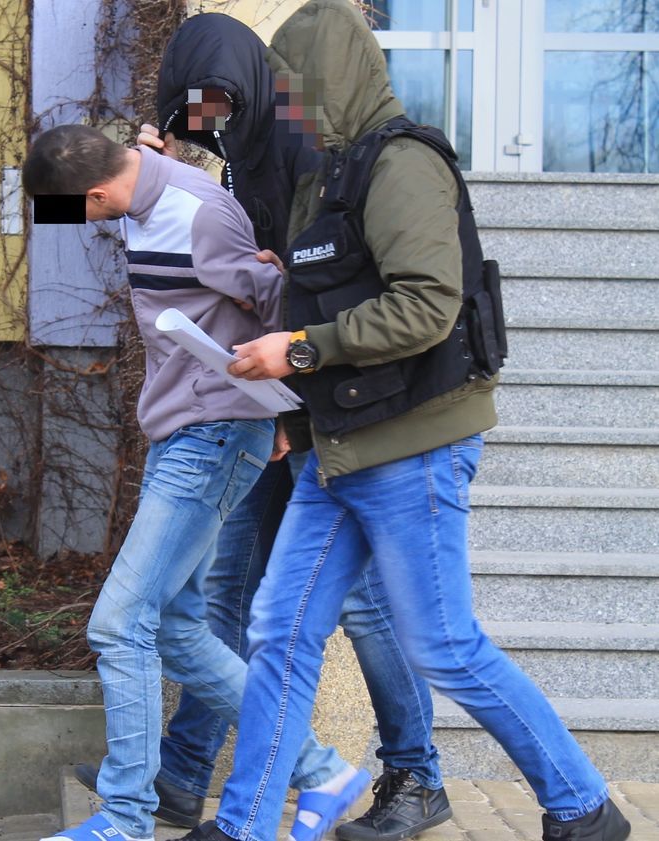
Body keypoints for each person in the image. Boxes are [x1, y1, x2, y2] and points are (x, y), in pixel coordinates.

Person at [196, 3, 632, 841]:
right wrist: (293, 372)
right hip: (340, 449)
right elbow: (338, 292)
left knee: (444, 645)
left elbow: (427, 306)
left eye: (294, 87)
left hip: (415, 445)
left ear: (335, 77)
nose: (286, 106)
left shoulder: (403, 163)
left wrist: (299, 351)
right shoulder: (329, 176)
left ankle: (583, 807)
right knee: (280, 632)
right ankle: (244, 824)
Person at [75, 14, 454, 841]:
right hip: (263, 399)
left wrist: (297, 394)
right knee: (222, 591)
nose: (204, 118)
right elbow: (206, 255)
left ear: (253, 86)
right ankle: (184, 773)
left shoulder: (312, 150)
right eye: (190, 107)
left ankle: (416, 773)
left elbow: (328, 287)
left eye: (215, 103)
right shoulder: (237, 155)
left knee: (358, 600)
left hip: (325, 397)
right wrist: (152, 164)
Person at [21, 124, 369, 841]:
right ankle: (322, 769)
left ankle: (125, 818)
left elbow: (282, 308)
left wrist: (281, 411)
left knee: (118, 623)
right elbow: (127, 192)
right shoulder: (140, 195)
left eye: (76, 210)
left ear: (98, 194)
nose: (74, 224)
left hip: (212, 435)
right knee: (178, 630)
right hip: (184, 429)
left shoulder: (197, 211)